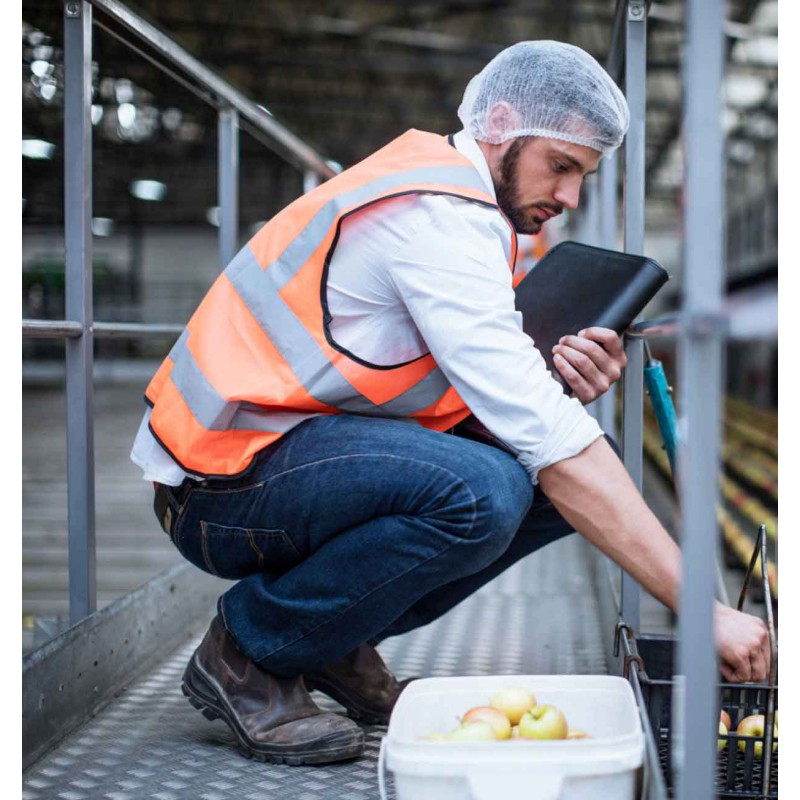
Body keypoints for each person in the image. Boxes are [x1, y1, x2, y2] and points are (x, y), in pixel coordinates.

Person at [131, 41, 770, 765]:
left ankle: (328, 642)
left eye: (583, 176)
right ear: (499, 122)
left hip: (282, 453)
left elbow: (463, 389)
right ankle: (247, 649)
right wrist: (704, 613)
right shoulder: (434, 216)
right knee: (485, 490)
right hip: (218, 484)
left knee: (545, 483)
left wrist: (553, 375)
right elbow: (546, 439)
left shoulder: (461, 203)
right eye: (561, 166)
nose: (569, 197)